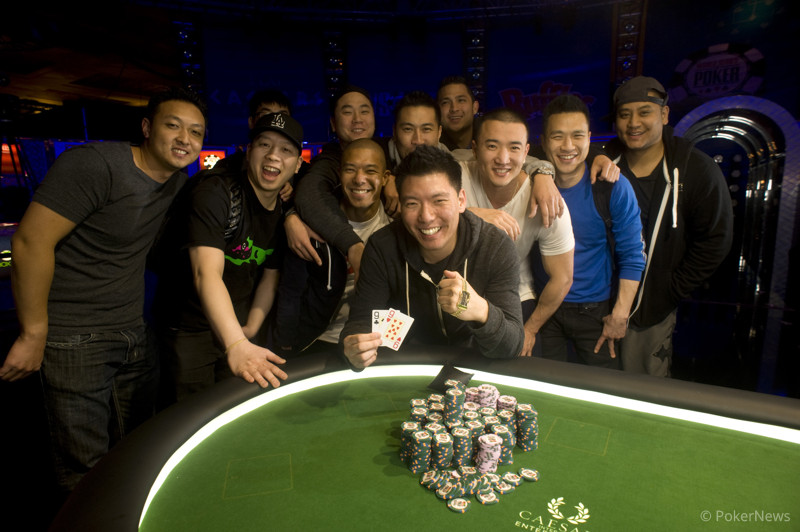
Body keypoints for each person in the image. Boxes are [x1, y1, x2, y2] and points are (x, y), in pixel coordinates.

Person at [0, 87, 207, 492]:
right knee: (85, 469)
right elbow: (29, 242)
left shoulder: (176, 183)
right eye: (173, 126)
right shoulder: (96, 165)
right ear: (146, 127)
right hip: (73, 338)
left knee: (138, 451)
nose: (185, 138)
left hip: (133, 332)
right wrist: (32, 333)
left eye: (196, 132)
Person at [153, 112, 303, 401]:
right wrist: (235, 343)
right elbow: (206, 273)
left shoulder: (283, 212)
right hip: (189, 328)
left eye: (286, 150)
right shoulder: (216, 193)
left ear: (297, 164)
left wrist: (250, 328)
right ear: (249, 151)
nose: (273, 155)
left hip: (238, 325)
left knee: (233, 407)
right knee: (193, 412)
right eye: (264, 145)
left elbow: (270, 276)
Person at [340, 145, 524, 369]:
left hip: (475, 366)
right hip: (406, 367)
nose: (426, 217)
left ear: (461, 200)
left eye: (439, 201)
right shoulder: (382, 247)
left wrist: (481, 310)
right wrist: (353, 347)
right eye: (412, 204)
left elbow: (511, 346)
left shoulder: (495, 246)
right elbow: (360, 323)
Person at [604, 76, 733, 376]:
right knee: (592, 388)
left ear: (664, 114)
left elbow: (716, 239)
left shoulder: (695, 169)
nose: (634, 123)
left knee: (642, 390)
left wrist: (669, 290)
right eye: (625, 114)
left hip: (651, 311)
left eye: (644, 112)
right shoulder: (603, 163)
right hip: (597, 304)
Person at [455, 108, 575, 358]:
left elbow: (563, 278)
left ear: (526, 152)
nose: (503, 158)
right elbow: (421, 213)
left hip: (514, 297)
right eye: (492, 146)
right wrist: (471, 215)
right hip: (455, 292)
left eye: (514, 148)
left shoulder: (546, 199)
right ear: (475, 149)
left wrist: (529, 330)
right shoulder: (455, 178)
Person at [536, 94, 645, 368]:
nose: (568, 146)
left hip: (595, 311)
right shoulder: (530, 186)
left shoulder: (613, 187)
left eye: (577, 136)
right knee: (543, 386)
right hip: (544, 307)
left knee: (600, 387)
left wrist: (620, 315)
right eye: (558, 136)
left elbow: (632, 255)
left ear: (589, 138)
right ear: (544, 141)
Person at [274, 139, 392, 354]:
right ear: (339, 174)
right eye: (350, 170)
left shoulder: (395, 228)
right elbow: (291, 288)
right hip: (316, 340)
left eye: (370, 171)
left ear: (385, 178)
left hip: (372, 342)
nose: (359, 179)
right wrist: (286, 342)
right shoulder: (311, 223)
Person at [294, 85, 378, 279]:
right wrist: (352, 245)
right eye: (347, 112)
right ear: (333, 123)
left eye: (364, 111)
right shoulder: (329, 162)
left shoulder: (388, 154)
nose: (357, 119)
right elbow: (308, 194)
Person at [382, 90, 448, 170]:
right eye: (408, 129)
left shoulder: (458, 168)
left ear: (439, 132)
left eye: (426, 129)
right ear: (394, 132)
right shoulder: (377, 168)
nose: (418, 141)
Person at [437, 76, 480, 151]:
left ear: (474, 107)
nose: (454, 109)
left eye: (461, 100)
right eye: (445, 102)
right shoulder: (431, 146)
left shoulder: (491, 136)